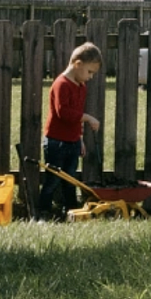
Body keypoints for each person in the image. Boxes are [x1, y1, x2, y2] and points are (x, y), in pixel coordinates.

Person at [38, 41, 103, 218]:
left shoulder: (81, 87)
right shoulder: (62, 84)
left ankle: (71, 212)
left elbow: (76, 116)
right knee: (52, 180)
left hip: (73, 142)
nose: (90, 77)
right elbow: (63, 113)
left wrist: (80, 138)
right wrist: (88, 117)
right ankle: (42, 212)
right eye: (89, 72)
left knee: (70, 180)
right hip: (56, 141)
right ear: (78, 64)